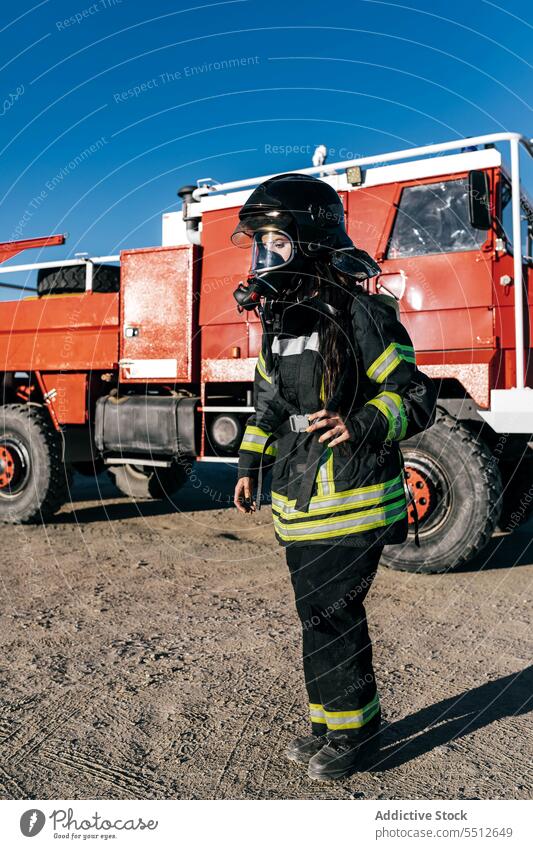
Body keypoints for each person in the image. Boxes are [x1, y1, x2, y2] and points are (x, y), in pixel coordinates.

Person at [231, 173, 423, 781]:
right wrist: (247, 464)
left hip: (357, 501)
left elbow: (413, 395)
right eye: (258, 244)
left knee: (330, 615)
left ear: (309, 240)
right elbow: (267, 407)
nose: (264, 257)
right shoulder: (281, 323)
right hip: (300, 500)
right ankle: (333, 724)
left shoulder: (360, 313)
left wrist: (364, 421)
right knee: (316, 615)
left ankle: (357, 735)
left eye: (275, 242)